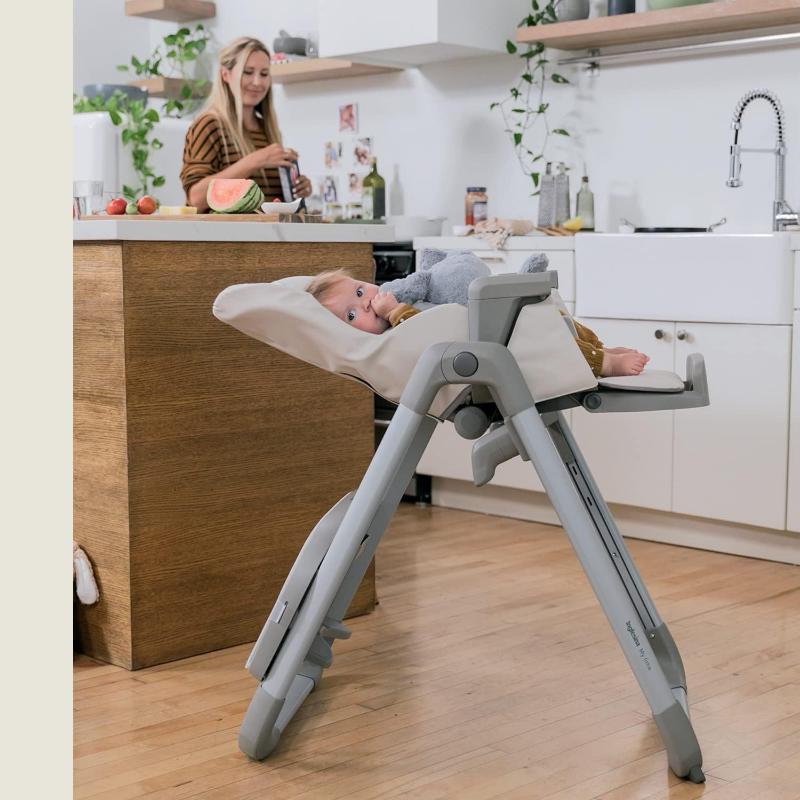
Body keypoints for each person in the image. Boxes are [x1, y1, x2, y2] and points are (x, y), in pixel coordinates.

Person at [306, 250, 649, 378]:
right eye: (351, 315)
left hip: (488, 336)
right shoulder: (393, 333)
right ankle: (604, 363)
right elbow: (423, 334)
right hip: (491, 356)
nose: (366, 303)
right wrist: (395, 311)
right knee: (546, 342)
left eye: (360, 291)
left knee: (554, 321)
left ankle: (598, 348)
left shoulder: (397, 305)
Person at [180, 37, 312, 212]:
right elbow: (196, 198)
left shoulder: (268, 129)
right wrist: (255, 161)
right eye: (248, 72)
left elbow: (267, 201)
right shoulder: (209, 125)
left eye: (264, 74)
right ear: (225, 75)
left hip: (267, 230)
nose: (257, 82)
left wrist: (297, 188)